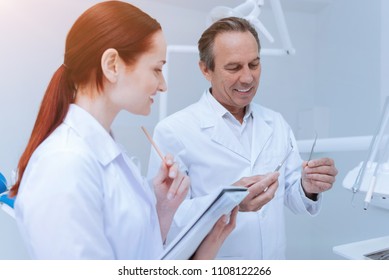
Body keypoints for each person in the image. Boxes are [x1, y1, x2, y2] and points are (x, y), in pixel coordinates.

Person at [10, 1, 238, 260]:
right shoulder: (65, 162)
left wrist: (162, 210)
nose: (163, 85)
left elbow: (136, 257)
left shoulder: (109, 158)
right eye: (156, 68)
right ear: (112, 65)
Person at [147, 16, 338, 259]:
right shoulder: (174, 131)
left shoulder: (275, 123)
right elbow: (165, 218)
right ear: (206, 69)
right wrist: (230, 202)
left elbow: (291, 195)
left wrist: (308, 186)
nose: (247, 78)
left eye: (254, 64)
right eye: (234, 67)